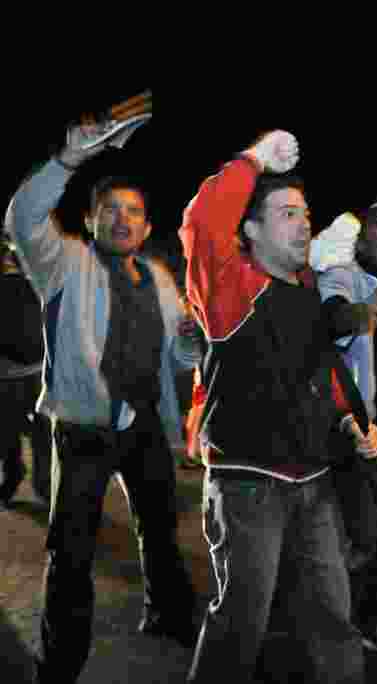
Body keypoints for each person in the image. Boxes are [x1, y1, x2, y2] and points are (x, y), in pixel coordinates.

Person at [5, 116, 200, 683]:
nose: (122, 219)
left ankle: (166, 613)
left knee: (160, 528)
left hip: (145, 428)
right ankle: (59, 661)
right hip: (86, 429)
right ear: (90, 220)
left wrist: (188, 347)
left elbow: (180, 360)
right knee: (72, 552)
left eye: (134, 211)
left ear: (146, 225)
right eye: (110, 209)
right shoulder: (65, 264)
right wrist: (67, 162)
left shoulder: (159, 276)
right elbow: (21, 218)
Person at [179, 130, 371, 683]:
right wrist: (253, 159)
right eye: (286, 213)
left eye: (305, 212)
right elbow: (199, 224)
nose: (304, 222)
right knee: (240, 627)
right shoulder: (230, 289)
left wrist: (347, 422)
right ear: (251, 229)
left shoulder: (304, 286)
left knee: (334, 620)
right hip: (248, 484)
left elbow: (317, 371)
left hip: (313, 479)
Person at [314, 202, 377, 655]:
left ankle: (367, 606)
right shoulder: (343, 276)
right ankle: (347, 622)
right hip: (348, 429)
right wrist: (368, 308)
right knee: (361, 531)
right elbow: (332, 318)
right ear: (360, 240)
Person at [0, 238, 51, 507]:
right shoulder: (38, 284)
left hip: (6, 376)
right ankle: (44, 485)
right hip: (38, 372)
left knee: (7, 434)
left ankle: (11, 478)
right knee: (42, 432)